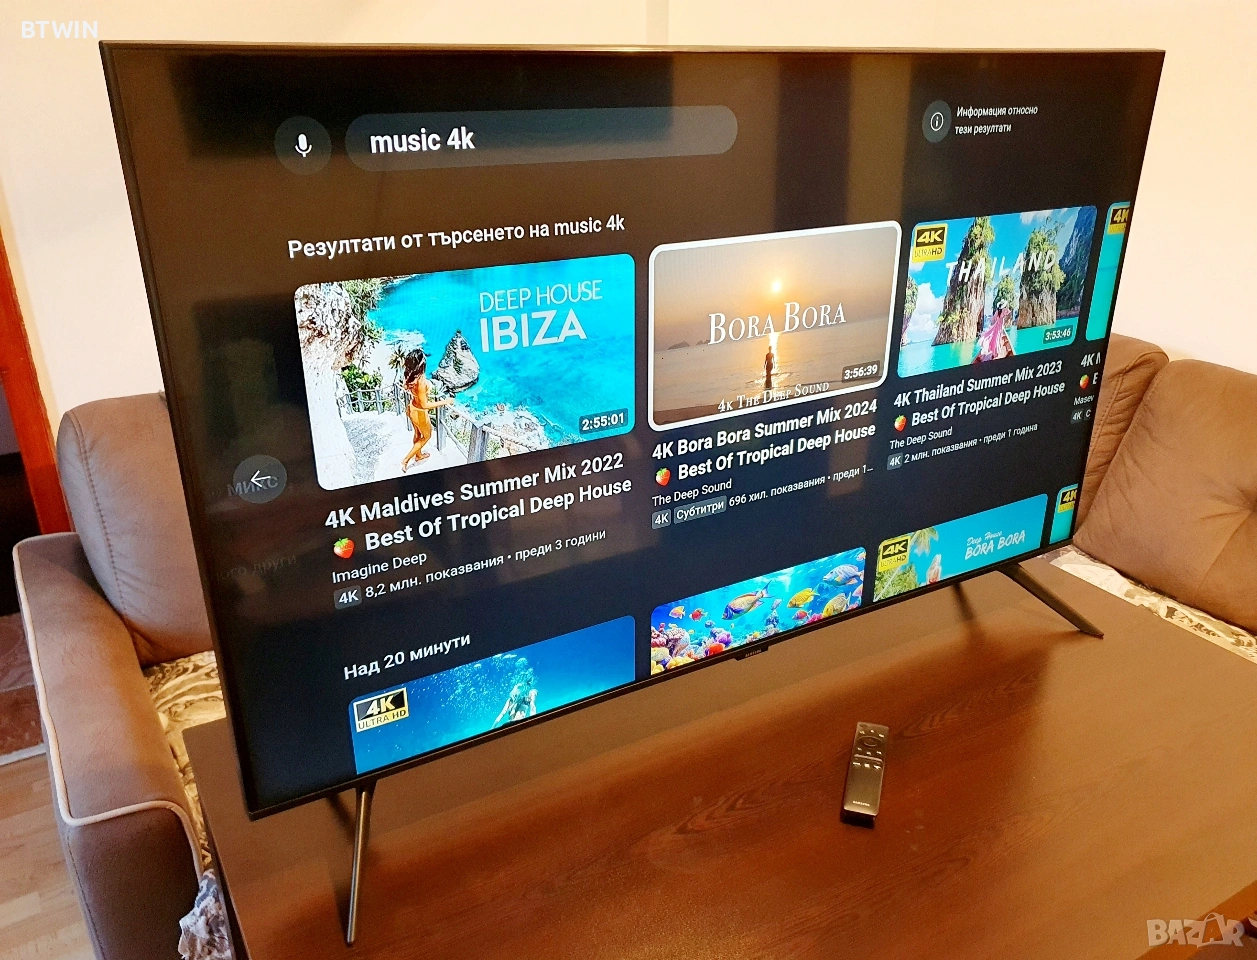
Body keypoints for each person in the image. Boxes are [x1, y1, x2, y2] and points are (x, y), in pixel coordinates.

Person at [400, 348, 453, 471]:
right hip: (420, 413)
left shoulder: (409, 375)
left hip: (412, 408)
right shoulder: (421, 382)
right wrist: (445, 401)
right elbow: (424, 405)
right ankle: (406, 460)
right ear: (421, 364)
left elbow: (405, 387)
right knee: (427, 436)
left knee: (417, 434)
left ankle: (418, 455)